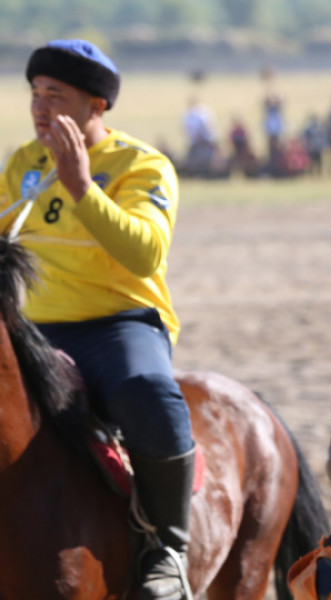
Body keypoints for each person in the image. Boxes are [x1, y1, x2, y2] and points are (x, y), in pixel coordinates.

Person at [0, 39, 192, 600]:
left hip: (119, 325)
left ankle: (167, 548)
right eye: (34, 93)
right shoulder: (23, 165)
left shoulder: (143, 165)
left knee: (149, 392)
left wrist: (82, 186)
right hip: (32, 326)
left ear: (96, 106)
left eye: (54, 94)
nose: (39, 107)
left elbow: (145, 253)